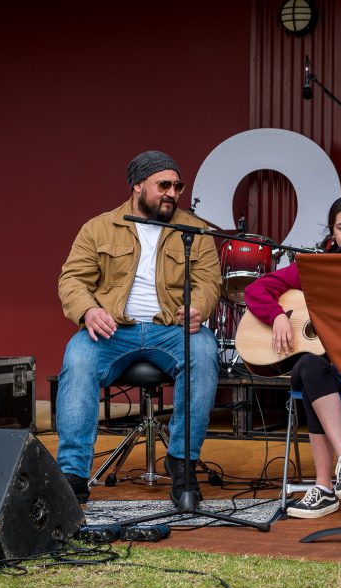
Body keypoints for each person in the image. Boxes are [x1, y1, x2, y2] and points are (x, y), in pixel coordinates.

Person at [57, 150, 221, 507]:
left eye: (178, 186)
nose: (172, 192)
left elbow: (209, 282)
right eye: (163, 184)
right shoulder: (98, 227)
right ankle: (71, 474)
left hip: (170, 328)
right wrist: (87, 311)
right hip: (116, 329)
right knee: (78, 356)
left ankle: (182, 463)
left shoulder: (195, 230)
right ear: (137, 185)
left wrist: (200, 307)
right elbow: (72, 280)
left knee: (205, 350)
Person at [243, 195, 341, 518]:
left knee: (306, 370)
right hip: (324, 370)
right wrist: (279, 316)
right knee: (309, 366)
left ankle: (325, 486)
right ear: (332, 233)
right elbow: (255, 291)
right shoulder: (314, 269)